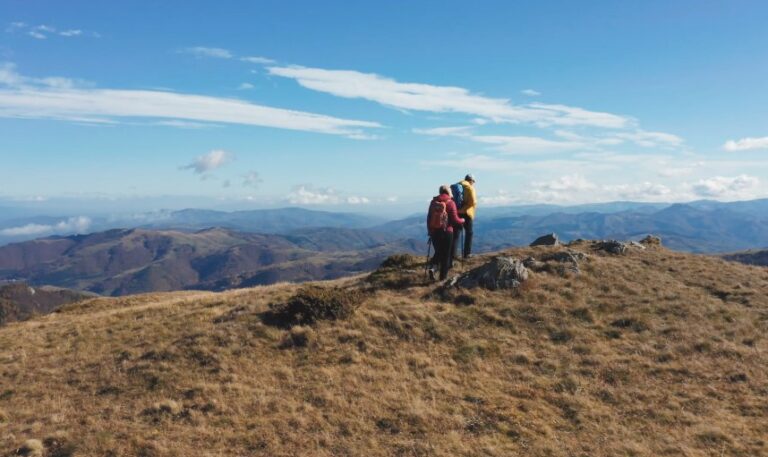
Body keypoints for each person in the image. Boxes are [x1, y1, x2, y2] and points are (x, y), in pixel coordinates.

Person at [427, 185, 465, 280]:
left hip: (435, 232)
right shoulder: (451, 203)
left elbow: (429, 218)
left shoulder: (433, 202)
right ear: (448, 192)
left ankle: (433, 267)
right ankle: (442, 279)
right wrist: (462, 220)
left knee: (439, 252)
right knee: (446, 256)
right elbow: (455, 220)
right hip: (447, 232)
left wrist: (430, 231)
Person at [454, 173, 477, 259]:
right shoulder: (470, 188)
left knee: (456, 233)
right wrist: (466, 207)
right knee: (469, 233)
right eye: (473, 181)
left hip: (457, 212)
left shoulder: (457, 185)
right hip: (467, 213)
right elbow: (473, 201)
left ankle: (453, 254)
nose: (473, 183)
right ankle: (467, 254)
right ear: (471, 180)